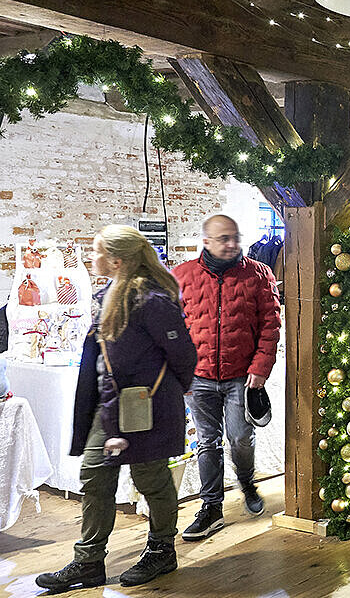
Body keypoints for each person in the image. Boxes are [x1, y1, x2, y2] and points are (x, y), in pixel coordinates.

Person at [37, 225, 197, 592]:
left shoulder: (152, 299)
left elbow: (184, 355)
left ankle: (161, 550)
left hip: (146, 406)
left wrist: (162, 395)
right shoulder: (109, 293)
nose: (91, 258)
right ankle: (88, 561)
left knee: (150, 479)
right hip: (110, 407)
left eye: (96, 252)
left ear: (116, 261)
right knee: (95, 474)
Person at [172, 214, 280, 541]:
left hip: (241, 377)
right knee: (207, 441)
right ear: (206, 241)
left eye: (235, 237)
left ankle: (246, 482)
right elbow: (172, 327)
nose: (232, 244)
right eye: (224, 239)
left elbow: (271, 325)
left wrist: (260, 368)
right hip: (199, 377)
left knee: (241, 438)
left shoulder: (259, 274)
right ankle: (211, 507)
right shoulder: (181, 275)